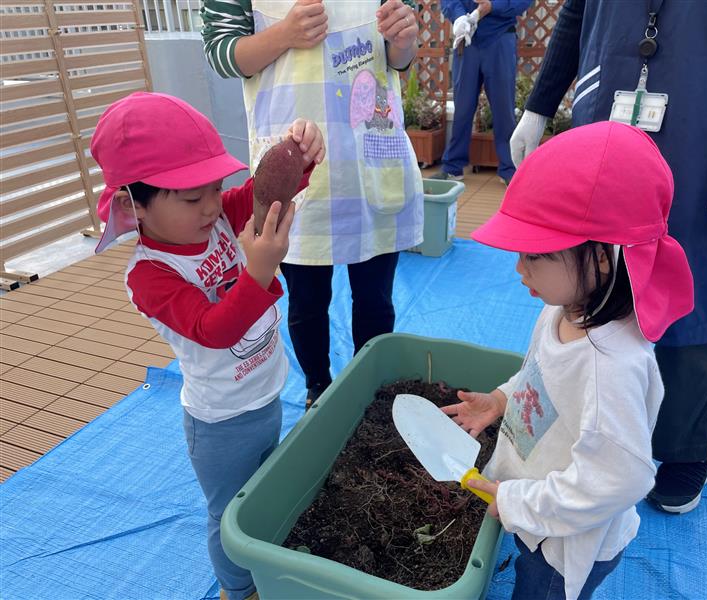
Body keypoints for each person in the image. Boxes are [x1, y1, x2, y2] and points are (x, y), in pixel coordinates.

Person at [510, 0, 707, 514]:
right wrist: (540, 103)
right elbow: (577, 11)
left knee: (697, 277)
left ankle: (690, 444)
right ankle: (587, 418)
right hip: (610, 101)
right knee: (594, 268)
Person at [443, 121, 694, 599]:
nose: (519, 268)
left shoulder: (609, 366)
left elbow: (620, 478)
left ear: (602, 259)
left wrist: (520, 502)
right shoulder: (563, 309)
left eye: (535, 255)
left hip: (564, 544)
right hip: (538, 515)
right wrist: (501, 399)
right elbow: (541, 375)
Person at [90, 92, 324, 600]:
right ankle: (236, 589)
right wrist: (260, 269)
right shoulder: (150, 274)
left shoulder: (215, 218)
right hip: (219, 423)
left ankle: (263, 559)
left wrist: (299, 161)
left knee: (263, 492)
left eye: (215, 188)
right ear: (136, 204)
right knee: (228, 515)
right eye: (193, 198)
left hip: (265, 395)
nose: (214, 205)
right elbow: (214, 329)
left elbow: (261, 198)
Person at [202, 0, 424, 409]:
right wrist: (283, 34)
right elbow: (221, 52)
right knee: (305, 299)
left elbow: (400, 58)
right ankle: (318, 389)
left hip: (371, 152)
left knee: (375, 297)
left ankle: (370, 392)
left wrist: (403, 39)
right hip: (295, 155)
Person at [430, 0, 530, 186]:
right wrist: (459, 16)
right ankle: (452, 166)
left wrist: (493, 6)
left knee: (504, 109)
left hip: (500, 38)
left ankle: (509, 168)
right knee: (462, 108)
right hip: (467, 39)